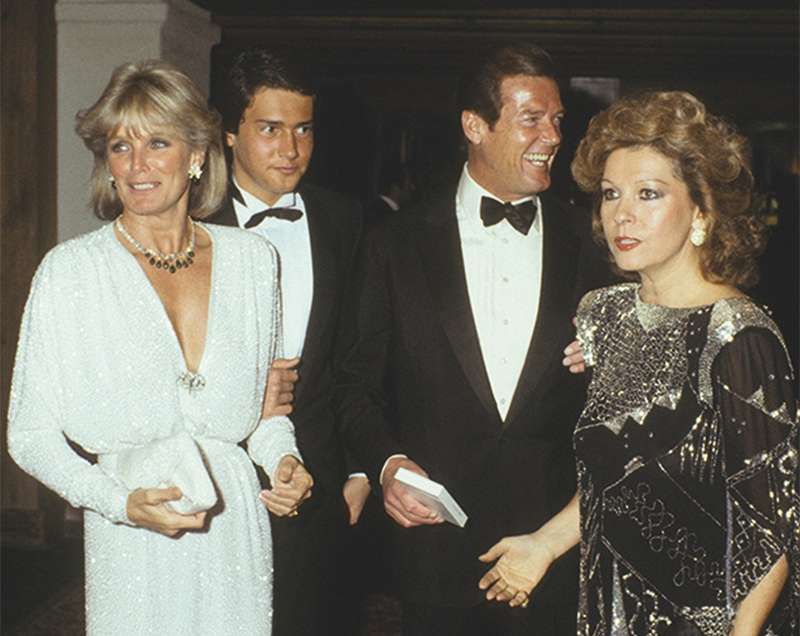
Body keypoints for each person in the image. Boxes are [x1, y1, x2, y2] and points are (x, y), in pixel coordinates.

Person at [7, 60, 313, 636]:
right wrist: (115, 502)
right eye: (120, 147)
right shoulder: (71, 272)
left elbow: (266, 414)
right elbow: (29, 434)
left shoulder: (253, 262)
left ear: (196, 154)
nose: (136, 165)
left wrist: (284, 462)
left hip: (235, 533)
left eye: (157, 143)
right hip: (132, 539)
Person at [478, 91, 799, 635]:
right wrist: (545, 544)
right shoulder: (605, 315)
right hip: (612, 610)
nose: (621, 214)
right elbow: (614, 474)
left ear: (702, 212)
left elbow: (776, 525)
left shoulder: (737, 336)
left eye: (648, 193)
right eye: (610, 194)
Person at [333, 42, 610, 636]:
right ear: (474, 126)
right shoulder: (392, 245)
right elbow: (352, 386)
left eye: (557, 119)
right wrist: (386, 465)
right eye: (532, 118)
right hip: (436, 554)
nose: (552, 136)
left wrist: (608, 357)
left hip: (553, 557)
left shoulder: (595, 244)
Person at [205, 48, 365, 636]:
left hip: (317, 487)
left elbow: (359, 356)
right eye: (270, 129)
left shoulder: (344, 220)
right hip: (213, 485)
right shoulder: (189, 223)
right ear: (229, 132)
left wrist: (360, 470)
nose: (291, 150)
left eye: (303, 129)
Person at [364, 159, 416, 226]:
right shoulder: (387, 217)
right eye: (408, 184)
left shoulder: (375, 210)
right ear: (395, 188)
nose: (413, 188)